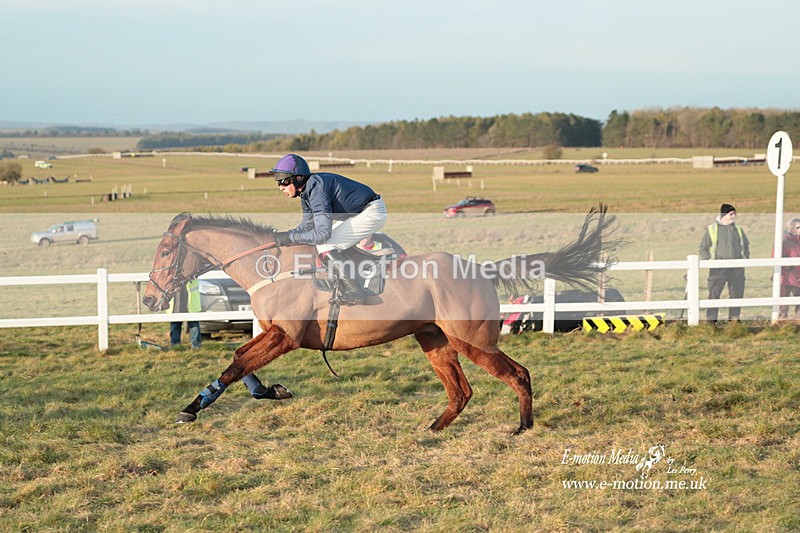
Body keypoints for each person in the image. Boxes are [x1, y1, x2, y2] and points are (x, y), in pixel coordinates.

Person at [271, 154, 387, 304]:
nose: (281, 187)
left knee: (325, 244)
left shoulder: (316, 189)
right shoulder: (307, 192)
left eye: (284, 181)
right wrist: (284, 236)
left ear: (298, 178)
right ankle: (366, 264)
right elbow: (307, 226)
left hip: (371, 212)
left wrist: (289, 238)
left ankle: (354, 291)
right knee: (327, 242)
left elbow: (321, 234)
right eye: (278, 182)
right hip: (361, 212)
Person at [698, 203, 750, 322]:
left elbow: (746, 245)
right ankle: (711, 322)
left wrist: (744, 258)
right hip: (718, 269)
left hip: (737, 269)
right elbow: (703, 248)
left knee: (736, 295)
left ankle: (734, 321)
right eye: (731, 214)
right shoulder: (712, 229)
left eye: (734, 214)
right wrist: (711, 262)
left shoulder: (738, 229)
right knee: (714, 295)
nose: (733, 216)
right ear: (724, 214)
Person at [169, 279, 202, 349]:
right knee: (175, 325)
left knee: (194, 325)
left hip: (191, 302)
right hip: (176, 300)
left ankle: (196, 347)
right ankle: (175, 346)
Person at [778, 217, 800, 319]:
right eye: (798, 227)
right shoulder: (783, 241)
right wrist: (788, 265)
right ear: (791, 228)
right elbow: (776, 256)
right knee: (783, 303)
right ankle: (781, 322)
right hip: (786, 276)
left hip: (797, 276)